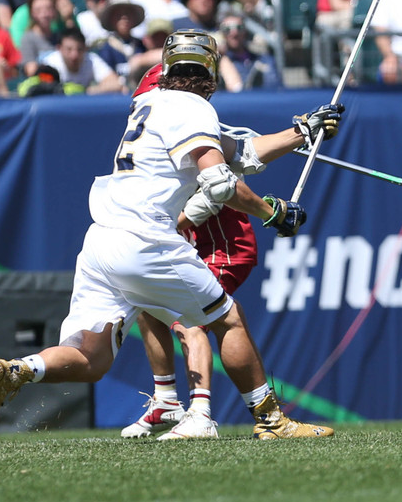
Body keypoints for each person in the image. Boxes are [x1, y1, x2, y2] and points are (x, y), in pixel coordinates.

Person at [0, 30, 341, 443]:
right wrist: (273, 213)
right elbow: (218, 182)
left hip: (101, 241)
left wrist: (301, 133)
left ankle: (16, 370)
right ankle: (272, 421)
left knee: (91, 360)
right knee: (227, 319)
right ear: (211, 71)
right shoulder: (192, 107)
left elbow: (240, 151)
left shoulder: (150, 102)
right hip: (145, 239)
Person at [118, 62, 329, 439]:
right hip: (187, 241)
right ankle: (166, 400)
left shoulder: (195, 126)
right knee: (149, 305)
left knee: (196, 318)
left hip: (224, 245)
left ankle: (203, 412)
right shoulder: (168, 126)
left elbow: (224, 181)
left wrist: (302, 134)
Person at [39, 27, 124, 95]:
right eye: (69, 49)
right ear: (59, 48)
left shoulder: (91, 60)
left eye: (79, 49)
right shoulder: (50, 63)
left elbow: (116, 83)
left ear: (85, 49)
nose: (74, 55)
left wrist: (87, 91)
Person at [219, 13, 283, 89]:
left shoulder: (265, 60)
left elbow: (276, 88)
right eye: (227, 29)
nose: (234, 33)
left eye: (239, 28)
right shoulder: (218, 63)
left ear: (245, 31)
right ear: (221, 33)